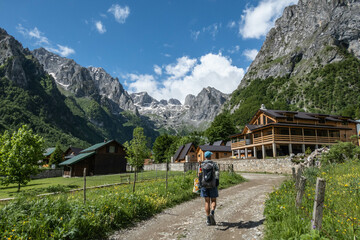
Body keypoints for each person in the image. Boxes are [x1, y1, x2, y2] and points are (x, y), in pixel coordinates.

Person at [198, 151, 219, 226]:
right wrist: (216, 182)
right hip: (213, 185)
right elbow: (217, 174)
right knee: (213, 200)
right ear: (210, 156)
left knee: (207, 202)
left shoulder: (201, 164)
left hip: (204, 185)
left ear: (205, 157)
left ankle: (208, 220)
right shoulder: (214, 164)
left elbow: (199, 175)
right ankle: (212, 213)